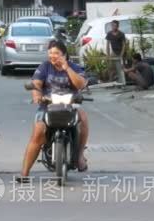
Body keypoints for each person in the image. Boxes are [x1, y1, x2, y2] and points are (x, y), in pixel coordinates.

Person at [17, 40, 89, 181]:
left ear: (64, 54)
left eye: (56, 53)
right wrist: (37, 95)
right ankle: (24, 173)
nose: (52, 56)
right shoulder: (44, 67)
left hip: (70, 104)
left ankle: (80, 155)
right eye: (50, 53)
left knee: (84, 118)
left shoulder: (74, 67)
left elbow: (80, 84)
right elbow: (36, 84)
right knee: (37, 133)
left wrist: (66, 67)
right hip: (47, 105)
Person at [106, 20, 127, 84]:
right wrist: (108, 55)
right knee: (111, 68)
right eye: (112, 25)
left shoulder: (121, 34)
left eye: (114, 25)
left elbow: (124, 45)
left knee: (120, 68)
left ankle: (122, 82)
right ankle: (110, 82)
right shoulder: (109, 34)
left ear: (117, 26)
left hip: (120, 52)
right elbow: (107, 45)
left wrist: (121, 54)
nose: (113, 27)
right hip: (114, 52)